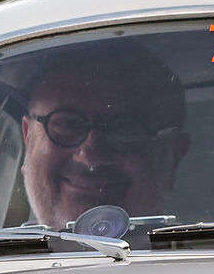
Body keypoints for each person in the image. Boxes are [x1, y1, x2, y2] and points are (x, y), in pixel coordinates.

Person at [16, 41, 191, 228]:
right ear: (28, 138)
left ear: (174, 157)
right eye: (68, 124)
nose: (91, 157)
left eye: (125, 129)